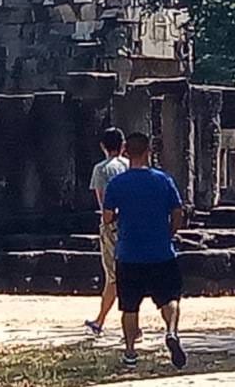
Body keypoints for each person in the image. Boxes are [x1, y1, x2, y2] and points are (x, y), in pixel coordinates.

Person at [102, 132, 187, 370]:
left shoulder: (117, 183)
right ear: (149, 151)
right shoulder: (163, 180)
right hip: (161, 251)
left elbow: (107, 217)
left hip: (128, 253)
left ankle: (130, 351)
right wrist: (170, 232)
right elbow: (178, 212)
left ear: (126, 151)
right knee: (169, 298)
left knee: (129, 306)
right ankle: (171, 332)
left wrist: (119, 215)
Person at [85, 128, 129, 336]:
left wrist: (108, 223)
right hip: (132, 224)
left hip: (113, 225)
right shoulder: (130, 167)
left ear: (103, 146)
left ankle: (104, 321)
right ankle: (102, 320)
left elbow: (103, 202)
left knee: (113, 276)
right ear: (123, 147)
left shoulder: (101, 169)